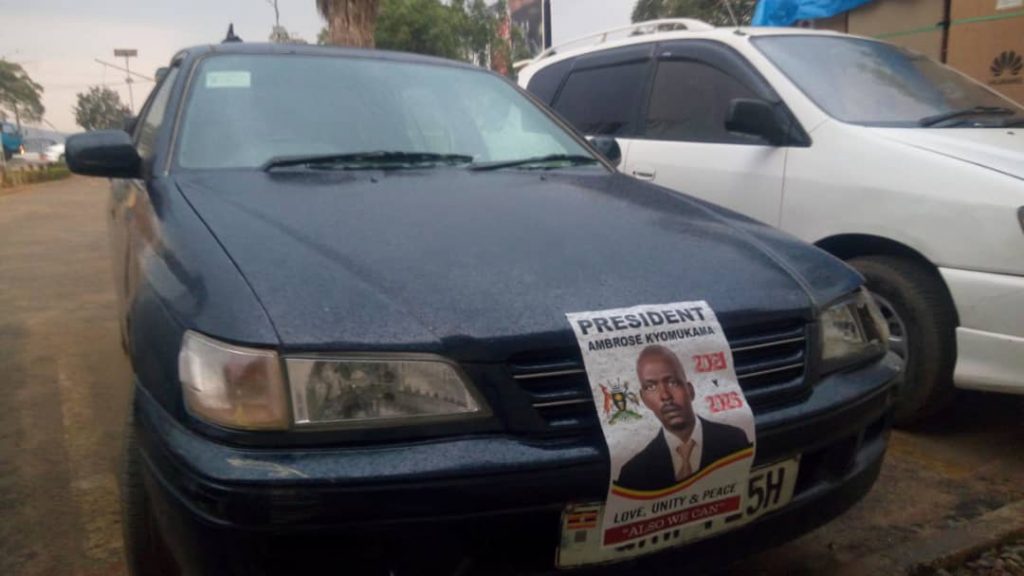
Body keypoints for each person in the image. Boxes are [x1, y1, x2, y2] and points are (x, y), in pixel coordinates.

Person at [616, 345, 751, 491]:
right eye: (651, 387)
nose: (665, 396)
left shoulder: (735, 440)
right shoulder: (632, 472)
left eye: (672, 382)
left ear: (690, 391)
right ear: (644, 400)